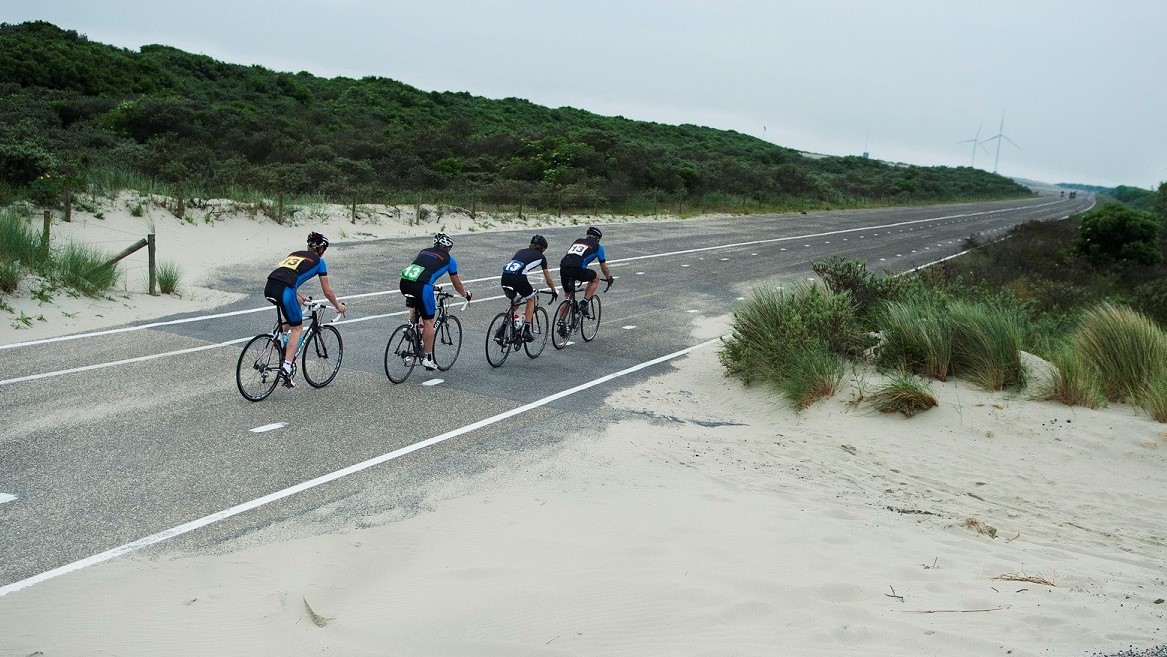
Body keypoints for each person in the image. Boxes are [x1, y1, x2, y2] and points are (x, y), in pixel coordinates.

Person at [265, 232, 346, 387]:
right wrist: (338, 306)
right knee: (297, 328)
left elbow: (286, 278)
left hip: (270, 285)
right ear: (321, 249)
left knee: (290, 316)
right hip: (286, 291)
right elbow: (327, 291)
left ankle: (279, 339)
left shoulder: (294, 254)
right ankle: (286, 367)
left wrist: (301, 298)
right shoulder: (319, 262)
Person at [399, 232, 472, 370]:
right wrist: (465, 294)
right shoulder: (449, 260)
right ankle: (428, 358)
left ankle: (410, 325)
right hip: (422, 286)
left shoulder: (424, 251)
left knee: (416, 299)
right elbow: (457, 284)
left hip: (404, 282)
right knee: (428, 322)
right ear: (448, 248)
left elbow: (421, 272)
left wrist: (432, 286)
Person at [497, 234, 558, 343]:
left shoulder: (520, 251)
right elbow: (548, 279)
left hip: (505, 277)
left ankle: (502, 330)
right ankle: (526, 331)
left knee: (515, 301)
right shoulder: (541, 257)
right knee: (531, 298)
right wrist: (554, 289)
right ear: (542, 249)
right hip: (518, 277)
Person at [559, 226, 613, 320]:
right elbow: (604, 268)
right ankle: (584, 302)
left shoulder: (578, 241)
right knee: (596, 278)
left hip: (563, 267)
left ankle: (561, 322)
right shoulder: (598, 247)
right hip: (577, 269)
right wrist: (609, 278)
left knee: (568, 297)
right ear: (597, 239)